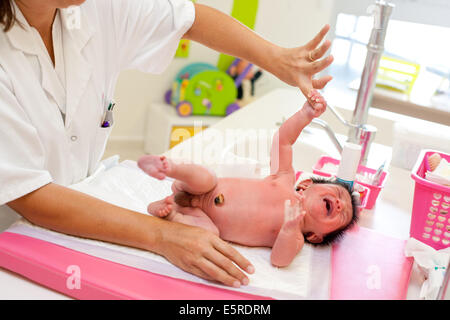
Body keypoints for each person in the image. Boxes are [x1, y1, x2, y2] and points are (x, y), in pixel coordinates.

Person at [0, 0, 333, 288]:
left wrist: (277, 59)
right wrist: (162, 236)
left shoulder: (92, 9)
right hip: (17, 231)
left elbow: (189, 19)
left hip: (93, 204)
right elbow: (31, 195)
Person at [138, 91, 359, 268]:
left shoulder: (296, 239)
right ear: (306, 185)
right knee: (207, 177)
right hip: (203, 190)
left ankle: (172, 214)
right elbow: (283, 141)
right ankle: (170, 167)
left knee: (210, 235)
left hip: (202, 218)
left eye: (343, 214)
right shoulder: (284, 181)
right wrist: (305, 115)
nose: (340, 204)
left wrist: (290, 229)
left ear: (316, 236)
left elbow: (279, 260)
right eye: (338, 194)